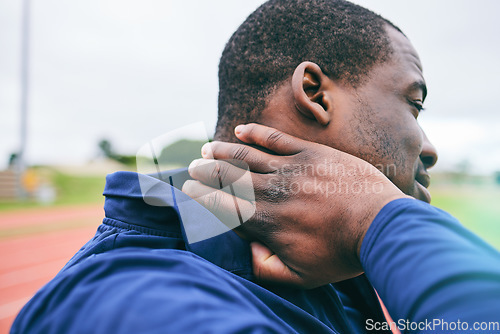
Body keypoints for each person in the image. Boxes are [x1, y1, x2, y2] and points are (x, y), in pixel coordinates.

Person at [10, 1, 500, 333]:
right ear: (314, 93)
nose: (430, 148)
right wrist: (377, 218)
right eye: (415, 105)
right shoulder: (141, 303)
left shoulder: (327, 268)